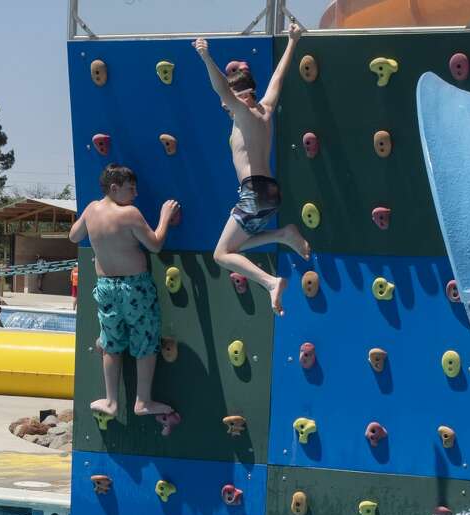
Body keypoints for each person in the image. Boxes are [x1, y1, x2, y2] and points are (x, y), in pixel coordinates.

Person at [194, 25, 310, 315]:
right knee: (238, 245)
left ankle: (271, 282)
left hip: (254, 193)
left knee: (222, 254)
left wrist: (206, 57)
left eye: (227, 102)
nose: (223, 105)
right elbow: (277, 80)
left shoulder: (243, 112)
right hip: (268, 193)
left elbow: (221, 87)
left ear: (237, 97)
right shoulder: (265, 110)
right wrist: (293, 42)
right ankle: (283, 235)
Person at [68, 162, 179, 421]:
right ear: (114, 188)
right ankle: (142, 401)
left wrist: (92, 226)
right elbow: (154, 245)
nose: (136, 194)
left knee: (111, 344)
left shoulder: (92, 210)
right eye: (131, 189)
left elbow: (74, 236)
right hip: (134, 287)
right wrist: (164, 217)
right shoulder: (130, 213)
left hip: (106, 287)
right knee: (146, 341)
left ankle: (111, 401)